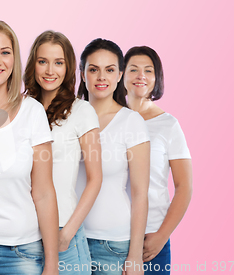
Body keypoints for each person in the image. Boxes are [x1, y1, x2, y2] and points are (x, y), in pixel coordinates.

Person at [0, 19, 59, 275]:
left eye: (5, 52)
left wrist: (52, 263)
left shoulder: (32, 112)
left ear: (14, 59)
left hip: (20, 253)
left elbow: (44, 192)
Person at [24, 30, 102, 274]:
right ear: (32, 65)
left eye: (58, 63)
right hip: (24, 230)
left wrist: (67, 233)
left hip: (62, 229)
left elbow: (95, 178)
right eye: (43, 61)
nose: (50, 71)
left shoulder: (82, 111)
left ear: (68, 68)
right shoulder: (23, 109)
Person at [76, 38, 150, 275]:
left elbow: (140, 195)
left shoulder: (131, 122)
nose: (101, 77)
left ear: (119, 75)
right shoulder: (67, 117)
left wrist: (135, 256)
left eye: (109, 70)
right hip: (69, 239)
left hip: (112, 245)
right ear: (82, 73)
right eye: (93, 69)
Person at [123, 46, 193, 275]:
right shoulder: (107, 118)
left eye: (148, 70)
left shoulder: (168, 125)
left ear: (156, 78)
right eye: (133, 69)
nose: (140, 75)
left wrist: (161, 236)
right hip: (108, 237)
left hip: (150, 241)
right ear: (121, 75)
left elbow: (184, 187)